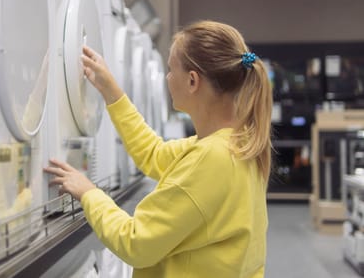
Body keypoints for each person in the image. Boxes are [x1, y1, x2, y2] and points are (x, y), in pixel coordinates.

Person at [44, 20, 272, 277]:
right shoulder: (236, 144)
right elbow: (153, 154)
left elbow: (136, 242)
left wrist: (89, 194)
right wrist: (113, 93)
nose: (167, 78)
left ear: (192, 81)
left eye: (171, 69)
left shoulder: (211, 158)